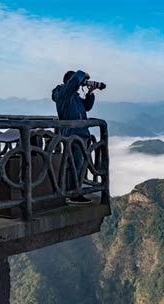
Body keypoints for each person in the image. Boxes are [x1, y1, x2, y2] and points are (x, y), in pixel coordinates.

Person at [52, 70, 96, 204]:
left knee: (79, 164)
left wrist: (90, 93)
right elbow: (75, 81)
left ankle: (74, 191)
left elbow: (87, 107)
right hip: (72, 135)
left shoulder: (74, 98)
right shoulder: (63, 95)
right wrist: (83, 74)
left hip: (81, 134)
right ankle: (73, 193)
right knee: (74, 164)